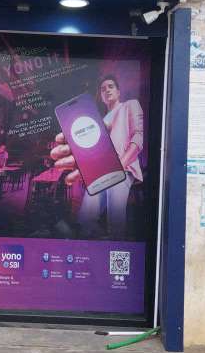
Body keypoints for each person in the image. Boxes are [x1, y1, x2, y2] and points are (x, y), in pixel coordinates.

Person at [51, 74, 144, 238]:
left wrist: (120, 166)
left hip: (124, 168)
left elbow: (138, 137)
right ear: (101, 96)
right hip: (101, 172)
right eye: (103, 89)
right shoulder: (99, 119)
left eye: (110, 86)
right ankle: (88, 247)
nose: (107, 90)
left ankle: (116, 246)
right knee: (85, 217)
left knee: (115, 219)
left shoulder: (130, 105)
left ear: (118, 91)